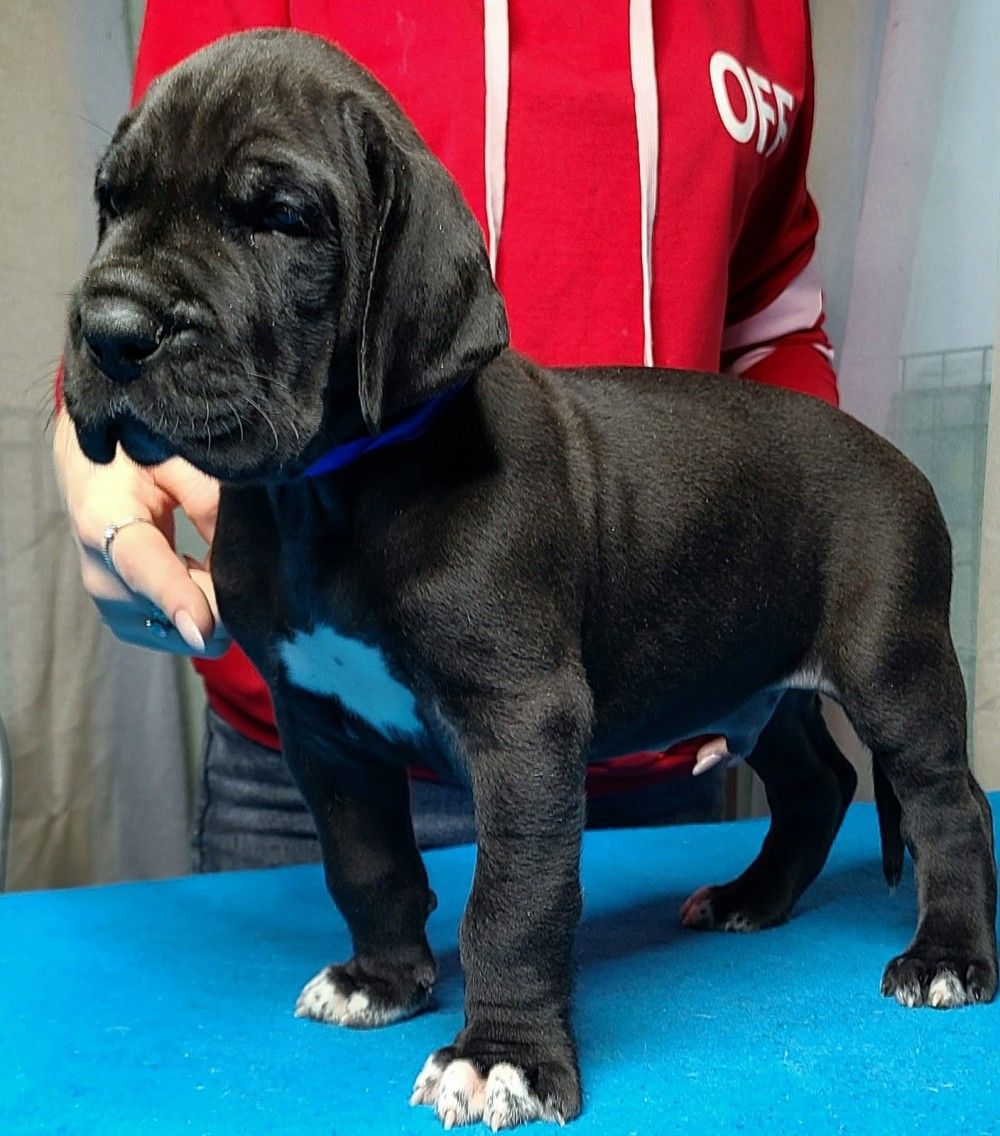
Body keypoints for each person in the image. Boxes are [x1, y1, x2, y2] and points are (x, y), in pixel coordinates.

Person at [54, 0, 839, 871]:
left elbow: (772, 313)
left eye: (275, 213)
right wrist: (102, 441)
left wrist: (804, 573)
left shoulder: (762, 14)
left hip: (641, 723)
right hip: (309, 730)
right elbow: (161, 234)